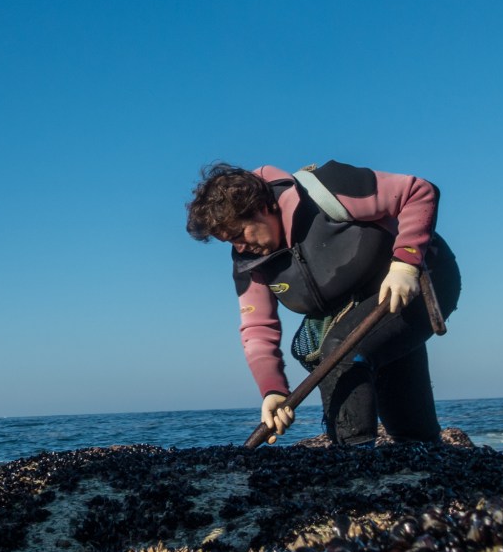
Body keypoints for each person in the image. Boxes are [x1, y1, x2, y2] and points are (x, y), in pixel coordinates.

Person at [185, 161, 460, 447]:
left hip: (423, 283)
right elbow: (257, 329)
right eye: (229, 242)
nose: (240, 248)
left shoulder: (326, 189)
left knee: (340, 352)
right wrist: (272, 391)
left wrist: (406, 263)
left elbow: (418, 191)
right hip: (365, 310)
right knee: (412, 435)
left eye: (240, 234)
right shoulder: (250, 263)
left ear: (261, 207)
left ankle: (352, 462)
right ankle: (427, 459)